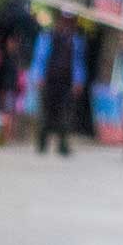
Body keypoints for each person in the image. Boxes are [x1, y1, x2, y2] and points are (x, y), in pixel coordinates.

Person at [30, 12, 87, 155]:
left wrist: (78, 81)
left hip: (67, 82)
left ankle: (63, 144)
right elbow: (40, 57)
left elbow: (78, 62)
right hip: (49, 80)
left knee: (65, 114)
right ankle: (42, 143)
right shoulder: (47, 37)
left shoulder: (76, 40)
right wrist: (38, 76)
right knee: (46, 112)